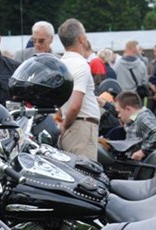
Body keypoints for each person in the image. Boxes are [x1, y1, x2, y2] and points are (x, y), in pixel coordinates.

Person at [57, 18, 100, 160]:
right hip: (81, 126)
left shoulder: (61, 64)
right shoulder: (81, 65)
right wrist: (65, 125)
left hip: (71, 126)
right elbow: (75, 105)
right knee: (85, 171)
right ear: (81, 39)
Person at [114, 91, 156, 161]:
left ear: (128, 109)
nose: (118, 115)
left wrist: (143, 151)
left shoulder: (143, 118)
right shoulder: (133, 119)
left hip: (142, 162)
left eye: (119, 112)